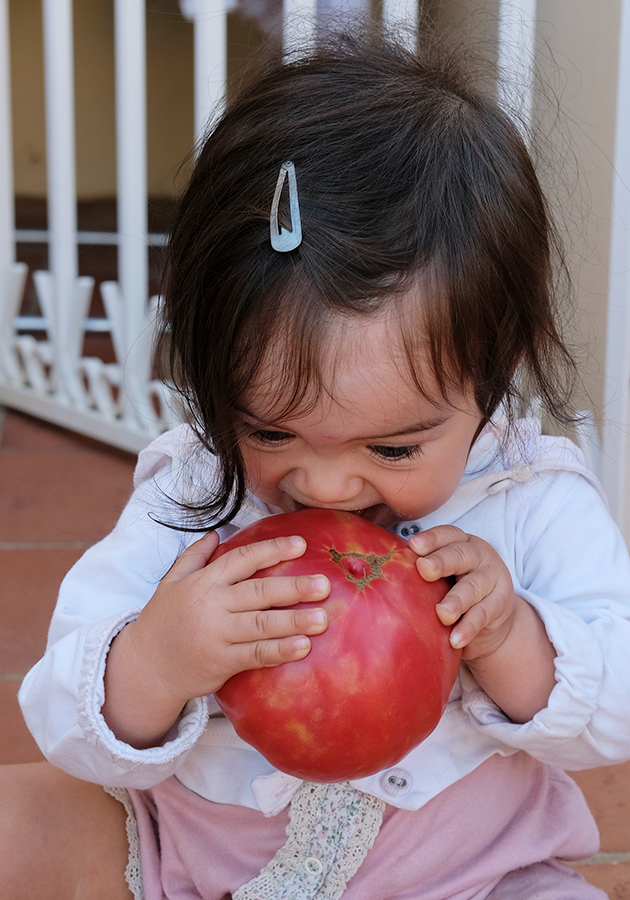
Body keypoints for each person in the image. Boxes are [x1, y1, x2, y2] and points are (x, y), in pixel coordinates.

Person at [2, 28, 629, 900]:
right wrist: (159, 657)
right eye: (270, 432)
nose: (326, 485)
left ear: (497, 368)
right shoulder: (192, 493)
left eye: (395, 446)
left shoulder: (532, 498)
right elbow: (58, 714)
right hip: (186, 860)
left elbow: (618, 712)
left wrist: (512, 638)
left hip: (466, 877)